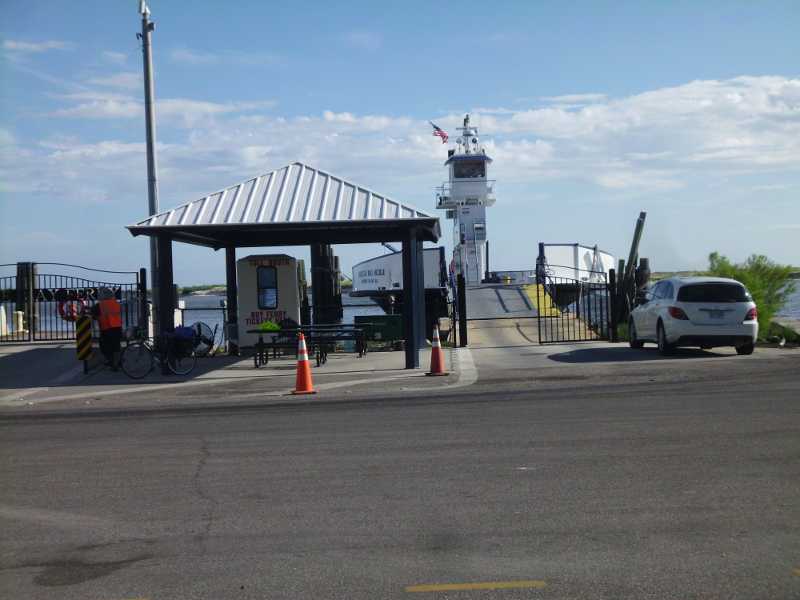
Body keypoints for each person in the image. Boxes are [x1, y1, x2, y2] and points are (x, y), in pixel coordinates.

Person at [92, 287, 122, 370]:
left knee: (105, 347)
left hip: (106, 328)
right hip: (117, 327)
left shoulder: (100, 305)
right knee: (116, 347)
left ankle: (112, 363)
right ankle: (117, 362)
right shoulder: (116, 303)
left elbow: (93, 315)